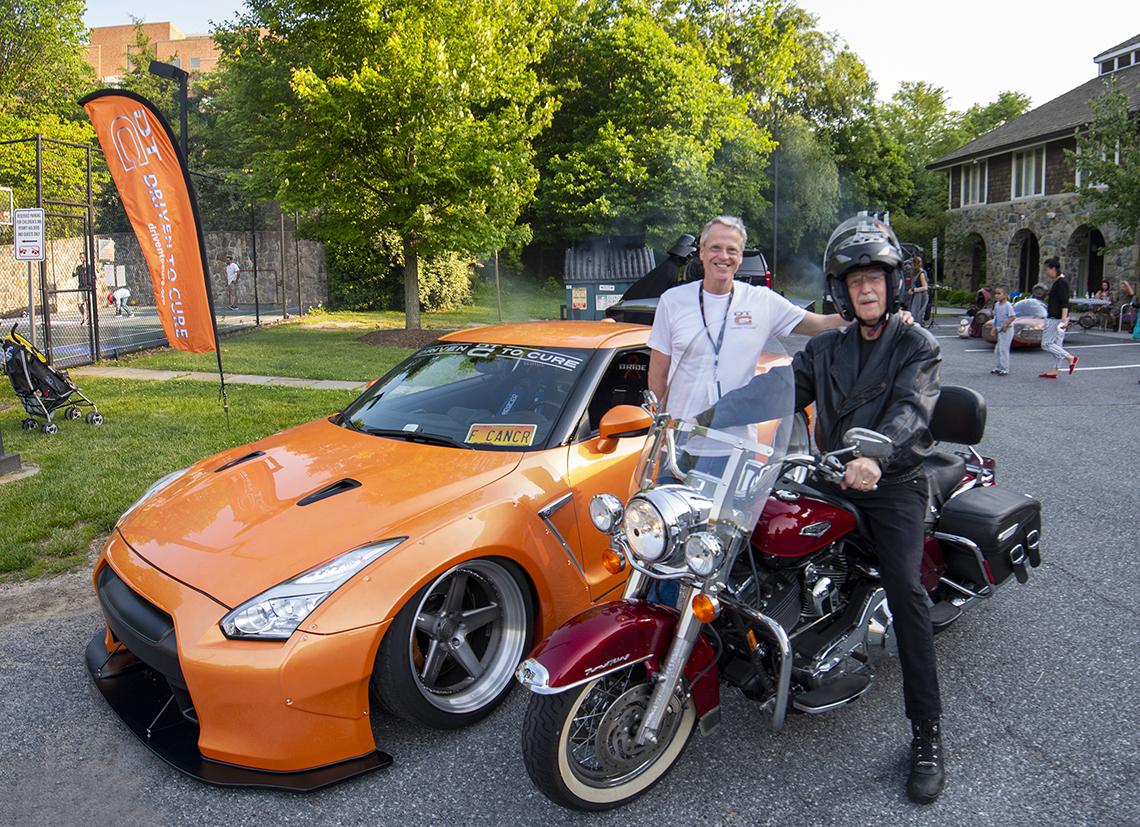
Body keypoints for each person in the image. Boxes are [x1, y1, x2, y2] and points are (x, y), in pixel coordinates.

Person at [699, 214, 947, 804]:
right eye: (856, 280)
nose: (867, 289)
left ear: (894, 285)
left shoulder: (916, 343)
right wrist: (704, 418)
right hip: (832, 474)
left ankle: (928, 735)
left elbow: (912, 411)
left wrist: (878, 455)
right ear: (840, 290)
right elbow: (777, 390)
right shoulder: (827, 347)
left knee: (909, 594)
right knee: (754, 540)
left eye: (877, 279)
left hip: (894, 481)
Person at [647, 216, 851, 421]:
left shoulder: (761, 300)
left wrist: (866, 315)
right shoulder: (672, 301)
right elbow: (658, 374)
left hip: (739, 443)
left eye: (732, 250)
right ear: (702, 252)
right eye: (715, 248)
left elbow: (820, 324)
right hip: (681, 438)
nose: (723, 256)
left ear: (741, 257)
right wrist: (663, 423)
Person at [1040, 257, 1077, 379]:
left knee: (1046, 344)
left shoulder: (1061, 282)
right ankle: (1054, 370)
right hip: (1057, 317)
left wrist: (1063, 319)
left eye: (1046, 269)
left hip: (1056, 318)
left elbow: (1064, 302)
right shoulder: (1059, 281)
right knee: (1057, 344)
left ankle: (1069, 357)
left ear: (1053, 268)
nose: (1046, 272)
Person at [990, 285, 1016, 376]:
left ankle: (1005, 369)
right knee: (997, 349)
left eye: (999, 293)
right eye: (995, 293)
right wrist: (994, 327)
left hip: (1007, 330)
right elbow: (996, 317)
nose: (996, 295)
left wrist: (1005, 325)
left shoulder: (1008, 305)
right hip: (1000, 329)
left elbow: (1012, 317)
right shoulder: (997, 305)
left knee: (1004, 349)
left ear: (1005, 295)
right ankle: (998, 367)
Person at [908, 255, 930, 325]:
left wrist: (914, 290)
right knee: (914, 313)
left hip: (921, 296)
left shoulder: (921, 274)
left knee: (918, 314)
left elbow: (925, 287)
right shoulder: (915, 273)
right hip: (916, 296)